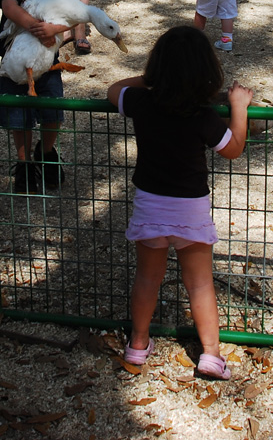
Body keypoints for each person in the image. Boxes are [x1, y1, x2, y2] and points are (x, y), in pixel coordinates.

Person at [106, 26, 252, 380]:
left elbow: (113, 90)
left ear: (158, 67)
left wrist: (151, 79)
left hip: (150, 204)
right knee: (200, 282)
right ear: (207, 73)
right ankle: (211, 355)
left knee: (147, 278)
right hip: (190, 208)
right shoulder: (202, 115)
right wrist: (239, 108)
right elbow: (233, 149)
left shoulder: (142, 102)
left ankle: (138, 345)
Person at [0, 0, 73, 193]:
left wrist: (55, 30)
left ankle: (47, 153)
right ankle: (25, 161)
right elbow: (9, 6)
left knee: (53, 109)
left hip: (48, 61)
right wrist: (36, 27)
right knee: (19, 113)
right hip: (17, 61)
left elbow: (70, 17)